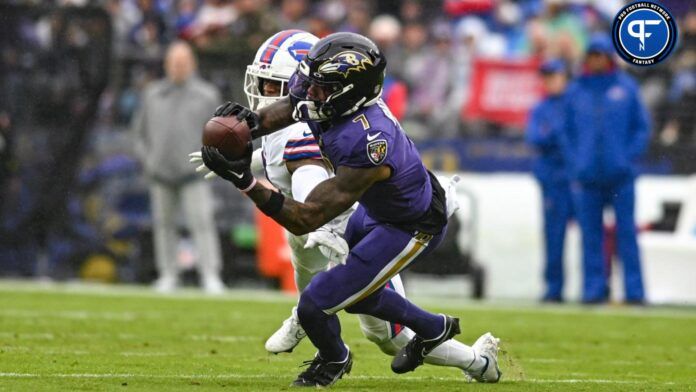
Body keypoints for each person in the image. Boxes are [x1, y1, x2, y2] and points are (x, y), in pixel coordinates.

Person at [198, 32, 501, 387]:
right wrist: (251, 124)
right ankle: (435, 328)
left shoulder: (367, 141)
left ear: (349, 93)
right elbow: (292, 106)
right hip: (378, 208)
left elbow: (306, 218)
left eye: (320, 88)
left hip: (409, 225)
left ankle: (333, 360)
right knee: (359, 299)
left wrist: (245, 182)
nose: (309, 91)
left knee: (315, 305)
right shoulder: (327, 94)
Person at [562, 34, 650, 304]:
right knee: (590, 237)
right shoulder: (576, 90)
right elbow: (565, 131)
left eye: (601, 55)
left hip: (621, 177)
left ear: (609, 57)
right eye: (592, 54)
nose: (596, 60)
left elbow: (642, 128)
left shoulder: (627, 88)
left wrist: (627, 158)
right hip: (588, 177)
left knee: (627, 236)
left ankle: (634, 292)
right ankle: (593, 290)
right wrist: (577, 161)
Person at [131, 41, 225, 294]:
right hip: (160, 172)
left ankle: (210, 275)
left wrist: (209, 161)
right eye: (174, 63)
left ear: (192, 64)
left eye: (182, 63)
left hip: (193, 174)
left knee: (202, 224)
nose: (178, 67)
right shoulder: (152, 94)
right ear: (166, 65)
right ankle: (168, 274)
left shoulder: (207, 95)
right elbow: (139, 133)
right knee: (163, 225)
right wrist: (148, 158)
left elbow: (218, 134)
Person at [526, 59, 573, 302]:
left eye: (554, 75)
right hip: (554, 179)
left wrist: (553, 133)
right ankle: (554, 288)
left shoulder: (574, 103)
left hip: (577, 177)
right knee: (554, 237)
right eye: (547, 76)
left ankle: (596, 288)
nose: (550, 81)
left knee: (593, 235)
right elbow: (535, 137)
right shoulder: (541, 107)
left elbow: (550, 136)